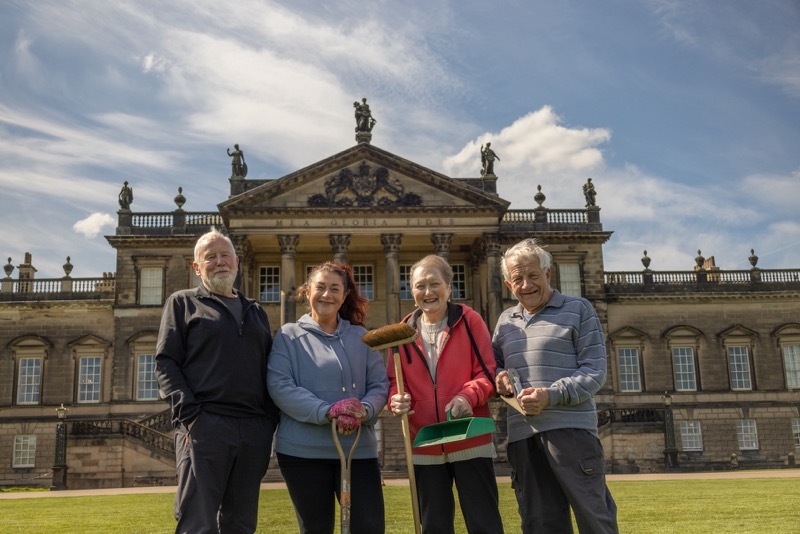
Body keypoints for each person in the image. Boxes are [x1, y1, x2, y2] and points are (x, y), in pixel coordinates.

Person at [155, 227, 279, 534]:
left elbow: (269, 368)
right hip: (205, 425)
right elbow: (165, 361)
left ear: (237, 263)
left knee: (241, 522)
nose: (220, 261)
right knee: (198, 520)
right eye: (210, 257)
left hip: (253, 429)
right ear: (197, 267)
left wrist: (268, 421)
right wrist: (192, 417)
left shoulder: (256, 312)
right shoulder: (182, 303)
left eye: (225, 255)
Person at [492, 238, 618, 534]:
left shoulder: (579, 309)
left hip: (571, 433)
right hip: (523, 437)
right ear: (509, 285)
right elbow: (493, 367)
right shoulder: (505, 321)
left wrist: (551, 395)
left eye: (533, 275)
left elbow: (595, 371)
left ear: (548, 274)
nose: (526, 284)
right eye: (517, 279)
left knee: (594, 518)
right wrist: (499, 378)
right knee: (539, 524)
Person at [267, 261, 388, 534]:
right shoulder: (288, 336)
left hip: (357, 451)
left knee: (368, 527)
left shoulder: (362, 337)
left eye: (335, 289)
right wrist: (328, 411)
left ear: (344, 296)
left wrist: (365, 409)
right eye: (320, 287)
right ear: (307, 291)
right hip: (302, 453)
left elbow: (380, 385)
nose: (327, 294)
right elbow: (280, 386)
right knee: (315, 529)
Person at [388, 254, 504, 534]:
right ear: (411, 290)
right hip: (424, 442)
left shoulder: (469, 320)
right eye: (419, 285)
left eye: (434, 283)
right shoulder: (401, 333)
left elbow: (487, 373)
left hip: (469, 438)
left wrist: (467, 396)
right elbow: (395, 382)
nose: (427, 292)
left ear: (449, 287)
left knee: (484, 523)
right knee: (434, 526)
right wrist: (396, 400)